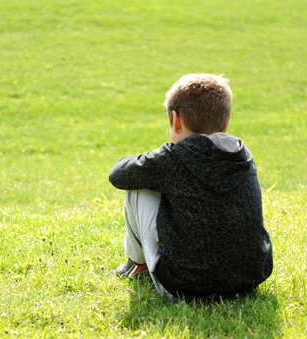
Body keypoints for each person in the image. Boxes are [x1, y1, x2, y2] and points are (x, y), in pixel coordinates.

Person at [109, 73, 273, 301]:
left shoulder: (174, 158)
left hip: (183, 286)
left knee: (138, 184)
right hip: (249, 279)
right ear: (225, 125)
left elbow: (118, 175)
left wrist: (157, 156)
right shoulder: (242, 154)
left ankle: (137, 265)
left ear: (175, 120)